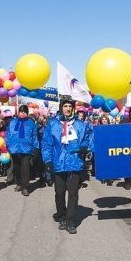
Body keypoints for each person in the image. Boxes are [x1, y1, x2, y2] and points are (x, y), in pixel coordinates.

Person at [41, 97, 92, 234]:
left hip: (75, 163)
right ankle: (62, 216)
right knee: (59, 192)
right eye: (65, 106)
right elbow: (46, 144)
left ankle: (70, 220)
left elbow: (88, 139)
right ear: (61, 108)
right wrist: (47, 161)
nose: (68, 109)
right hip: (58, 163)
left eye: (70, 106)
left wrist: (84, 147)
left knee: (73, 193)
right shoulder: (53, 124)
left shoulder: (80, 124)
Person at [6, 104, 39, 196]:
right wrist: (8, 145)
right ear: (18, 112)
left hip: (26, 149)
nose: (22, 113)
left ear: (27, 113)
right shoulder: (12, 122)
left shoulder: (31, 124)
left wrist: (36, 148)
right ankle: (19, 183)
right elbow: (8, 135)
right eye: (21, 111)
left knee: (25, 169)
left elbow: (34, 137)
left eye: (24, 112)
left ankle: (25, 187)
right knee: (16, 168)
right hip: (14, 149)